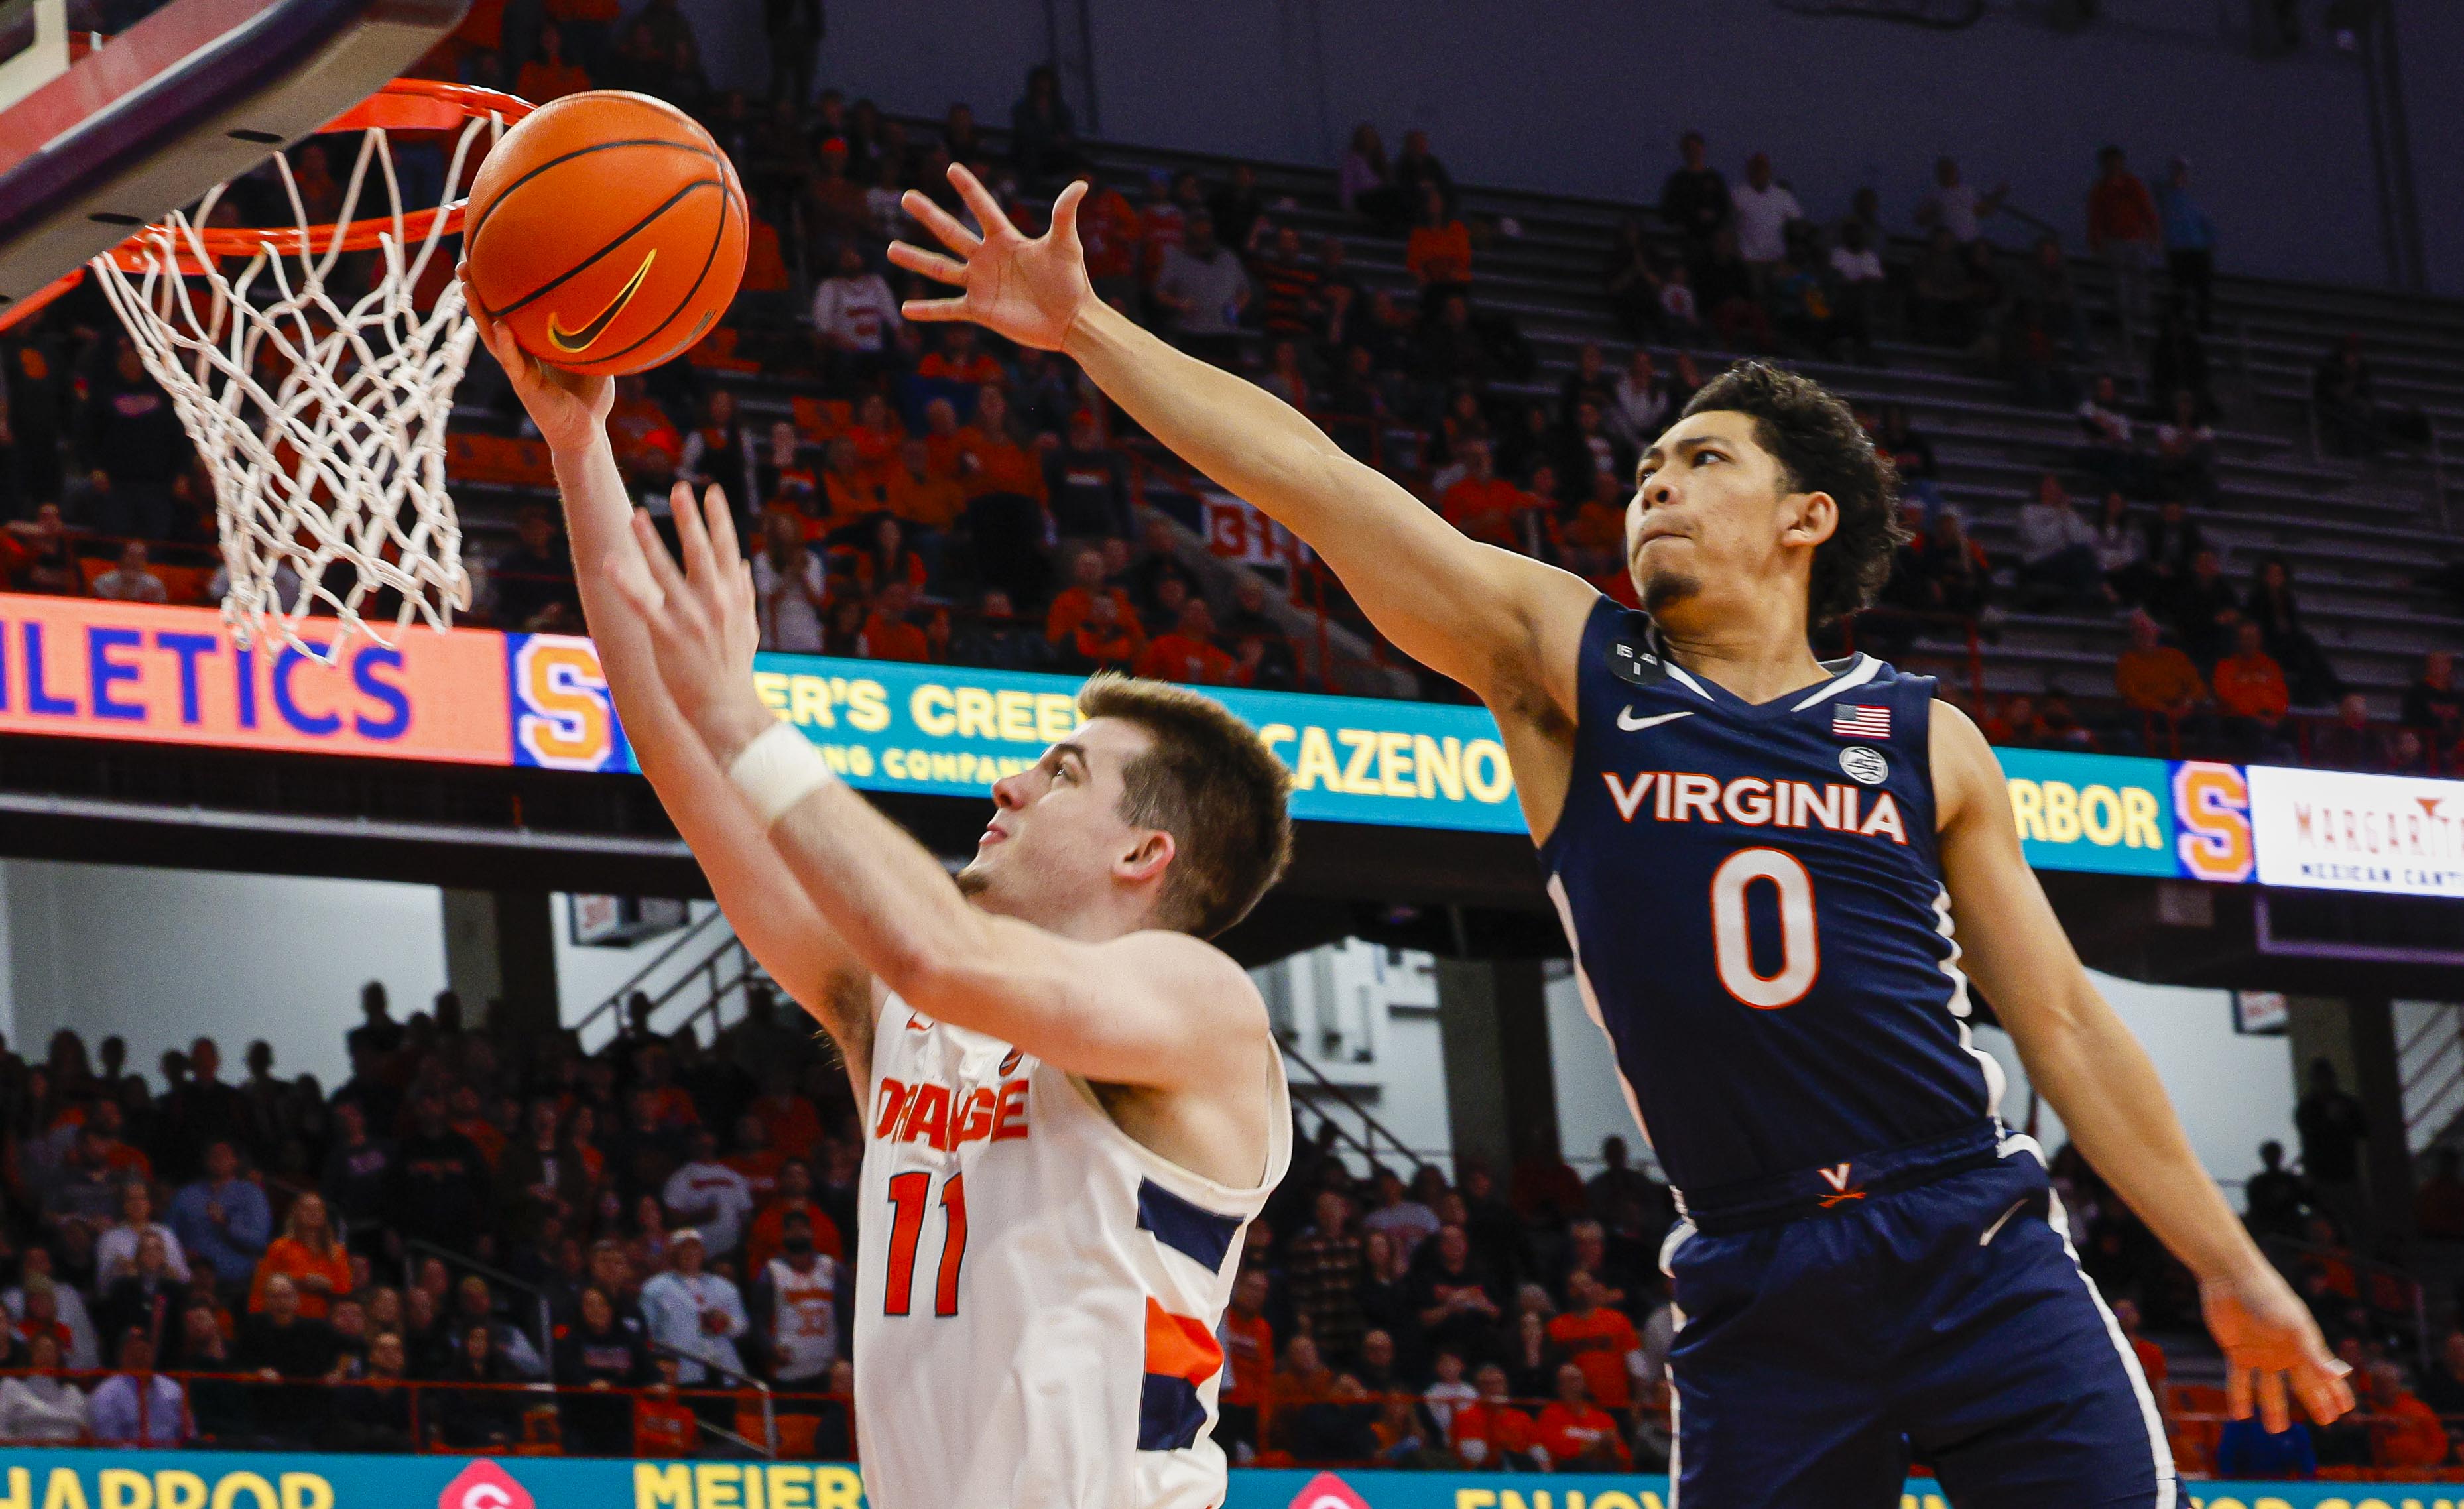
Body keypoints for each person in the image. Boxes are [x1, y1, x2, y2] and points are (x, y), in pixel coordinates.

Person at [891, 164, 2353, 1507]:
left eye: (1701, 460)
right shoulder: (1569, 666)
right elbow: (1319, 485)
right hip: (1754, 1268)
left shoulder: (1923, 736)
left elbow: (2067, 1027)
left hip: (1968, 1232)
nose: (1652, 480)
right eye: (1648, 462)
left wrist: (2228, 1267)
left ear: (1805, 519)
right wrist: (1089, 331)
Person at [471, 210, 1297, 1506]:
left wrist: (750, 714)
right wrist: (579, 449)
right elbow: (688, 770)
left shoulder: (1198, 1003)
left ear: (1148, 851)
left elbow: (939, 946)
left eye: (1061, 771)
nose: (1007, 778)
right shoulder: (903, 1013)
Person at [166, 1140, 271, 1287]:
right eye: (213, 1155)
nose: (218, 1159)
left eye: (224, 1154)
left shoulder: (252, 1194)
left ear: (236, 1160)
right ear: (206, 1160)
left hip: (239, 1285)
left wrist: (226, 1224)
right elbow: (167, 1237)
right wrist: (180, 1253)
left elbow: (259, 1242)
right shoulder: (186, 1195)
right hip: (192, 1282)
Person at [2294, 1059, 2369, 1242]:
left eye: (2327, 1078)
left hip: (2347, 1176)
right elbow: (2310, 1133)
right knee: (2328, 1227)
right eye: (2320, 1079)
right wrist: (2330, 1120)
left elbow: (2364, 1131)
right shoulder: (2307, 1108)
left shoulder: (2347, 1103)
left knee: (2357, 1226)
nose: (2325, 1083)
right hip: (2322, 1178)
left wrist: (2344, 1119)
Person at [88, 1329, 188, 1447]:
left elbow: (189, 1435)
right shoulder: (106, 1395)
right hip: (128, 1462)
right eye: (133, 1351)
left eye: (144, 1350)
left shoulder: (173, 1390)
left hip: (174, 1461)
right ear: (121, 1357)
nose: (139, 1356)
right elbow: (109, 1444)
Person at [0, 1330, 88, 1442]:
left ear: (58, 1356)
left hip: (68, 1455)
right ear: (31, 1353)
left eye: (50, 1350)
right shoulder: (11, 1387)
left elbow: (86, 1434)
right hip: (26, 1455)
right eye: (40, 1350)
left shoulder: (73, 1392)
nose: (46, 1355)